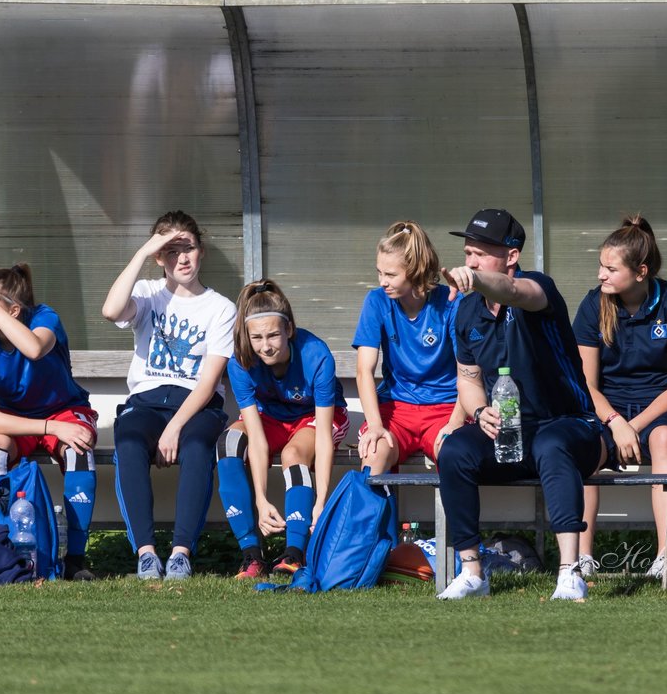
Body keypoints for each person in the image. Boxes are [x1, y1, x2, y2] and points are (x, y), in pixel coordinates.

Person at [436, 209, 607, 601]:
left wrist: (476, 279)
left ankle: (570, 572)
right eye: (467, 254)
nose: (471, 261)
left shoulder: (536, 288)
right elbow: (468, 378)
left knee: (552, 444)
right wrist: (479, 412)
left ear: (511, 256)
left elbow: (511, 292)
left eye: (481, 253)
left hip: (572, 426)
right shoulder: (465, 311)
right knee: (455, 449)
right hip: (511, 434)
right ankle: (473, 572)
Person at [102, 211, 237, 581]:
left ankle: (180, 554)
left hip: (194, 405)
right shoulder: (147, 293)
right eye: (171, 250)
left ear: (201, 251)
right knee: (127, 441)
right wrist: (144, 250)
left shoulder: (221, 308)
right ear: (159, 257)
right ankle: (146, 554)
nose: (182, 258)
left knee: (197, 448)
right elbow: (111, 309)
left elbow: (209, 382)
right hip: (146, 402)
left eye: (189, 248)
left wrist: (174, 427)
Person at [571, 216, 667, 580]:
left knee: (663, 437)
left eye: (611, 268)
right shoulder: (592, 306)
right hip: (609, 412)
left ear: (641, 271)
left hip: (665, 413)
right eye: (600, 265)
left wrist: (633, 427)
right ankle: (581, 559)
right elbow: (585, 385)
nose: (601, 274)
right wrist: (616, 424)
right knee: (578, 442)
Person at [0, 264, 99, 581]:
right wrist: (50, 428)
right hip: (14, 419)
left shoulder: (44, 317)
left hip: (63, 408)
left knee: (78, 449)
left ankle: (76, 559)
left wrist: (58, 426)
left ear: (13, 310)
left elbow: (34, 349)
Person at [217, 280, 349, 578]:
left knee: (293, 453)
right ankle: (251, 555)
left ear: (289, 330)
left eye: (274, 335)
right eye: (257, 337)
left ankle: (294, 553)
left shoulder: (317, 355)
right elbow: (258, 440)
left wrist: (322, 500)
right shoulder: (240, 361)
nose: (266, 345)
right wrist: (261, 500)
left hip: (316, 419)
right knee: (228, 442)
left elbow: (325, 437)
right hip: (271, 418)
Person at [353, 220, 465, 477]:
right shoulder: (376, 301)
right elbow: (363, 371)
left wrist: (456, 423)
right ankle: (379, 519)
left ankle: (456, 519)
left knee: (455, 456)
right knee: (373, 454)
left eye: (390, 275)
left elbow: (469, 370)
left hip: (445, 408)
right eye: (379, 272)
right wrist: (375, 426)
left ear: (416, 271)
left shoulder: (451, 302)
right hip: (396, 408)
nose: (382, 281)